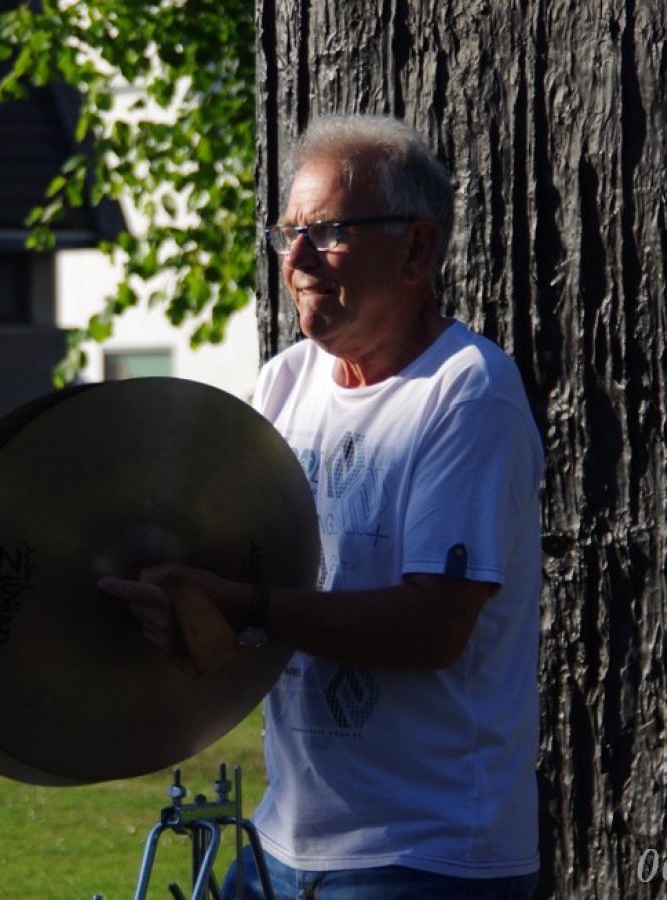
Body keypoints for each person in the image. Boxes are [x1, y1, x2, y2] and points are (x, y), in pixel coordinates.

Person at [100, 114, 543, 899]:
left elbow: (433, 626)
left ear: (415, 250)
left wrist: (239, 605)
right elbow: (248, 590)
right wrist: (174, 604)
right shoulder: (283, 383)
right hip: (280, 841)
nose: (297, 260)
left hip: (425, 859)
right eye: (287, 234)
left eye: (330, 232)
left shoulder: (466, 391)